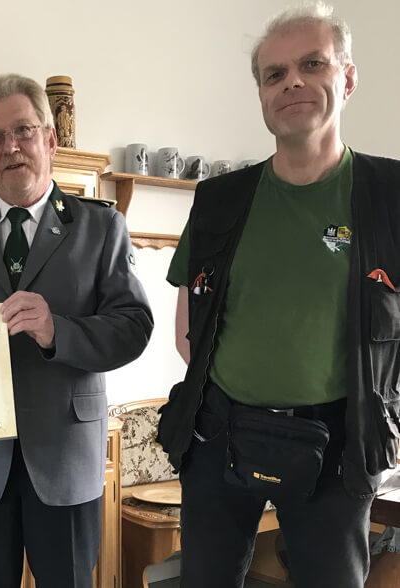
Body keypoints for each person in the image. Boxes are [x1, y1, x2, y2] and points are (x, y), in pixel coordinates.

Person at [159, 3, 400, 587]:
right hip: (219, 434)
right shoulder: (219, 200)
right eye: (274, 74)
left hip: (340, 442)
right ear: (262, 95)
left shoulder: (390, 195)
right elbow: (189, 329)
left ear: (347, 77)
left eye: (312, 64)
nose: (291, 81)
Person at [0, 73, 153, 588]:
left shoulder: (100, 226)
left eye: (23, 131)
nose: (10, 147)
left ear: (50, 140)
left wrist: (57, 332)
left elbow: (133, 327)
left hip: (65, 454)